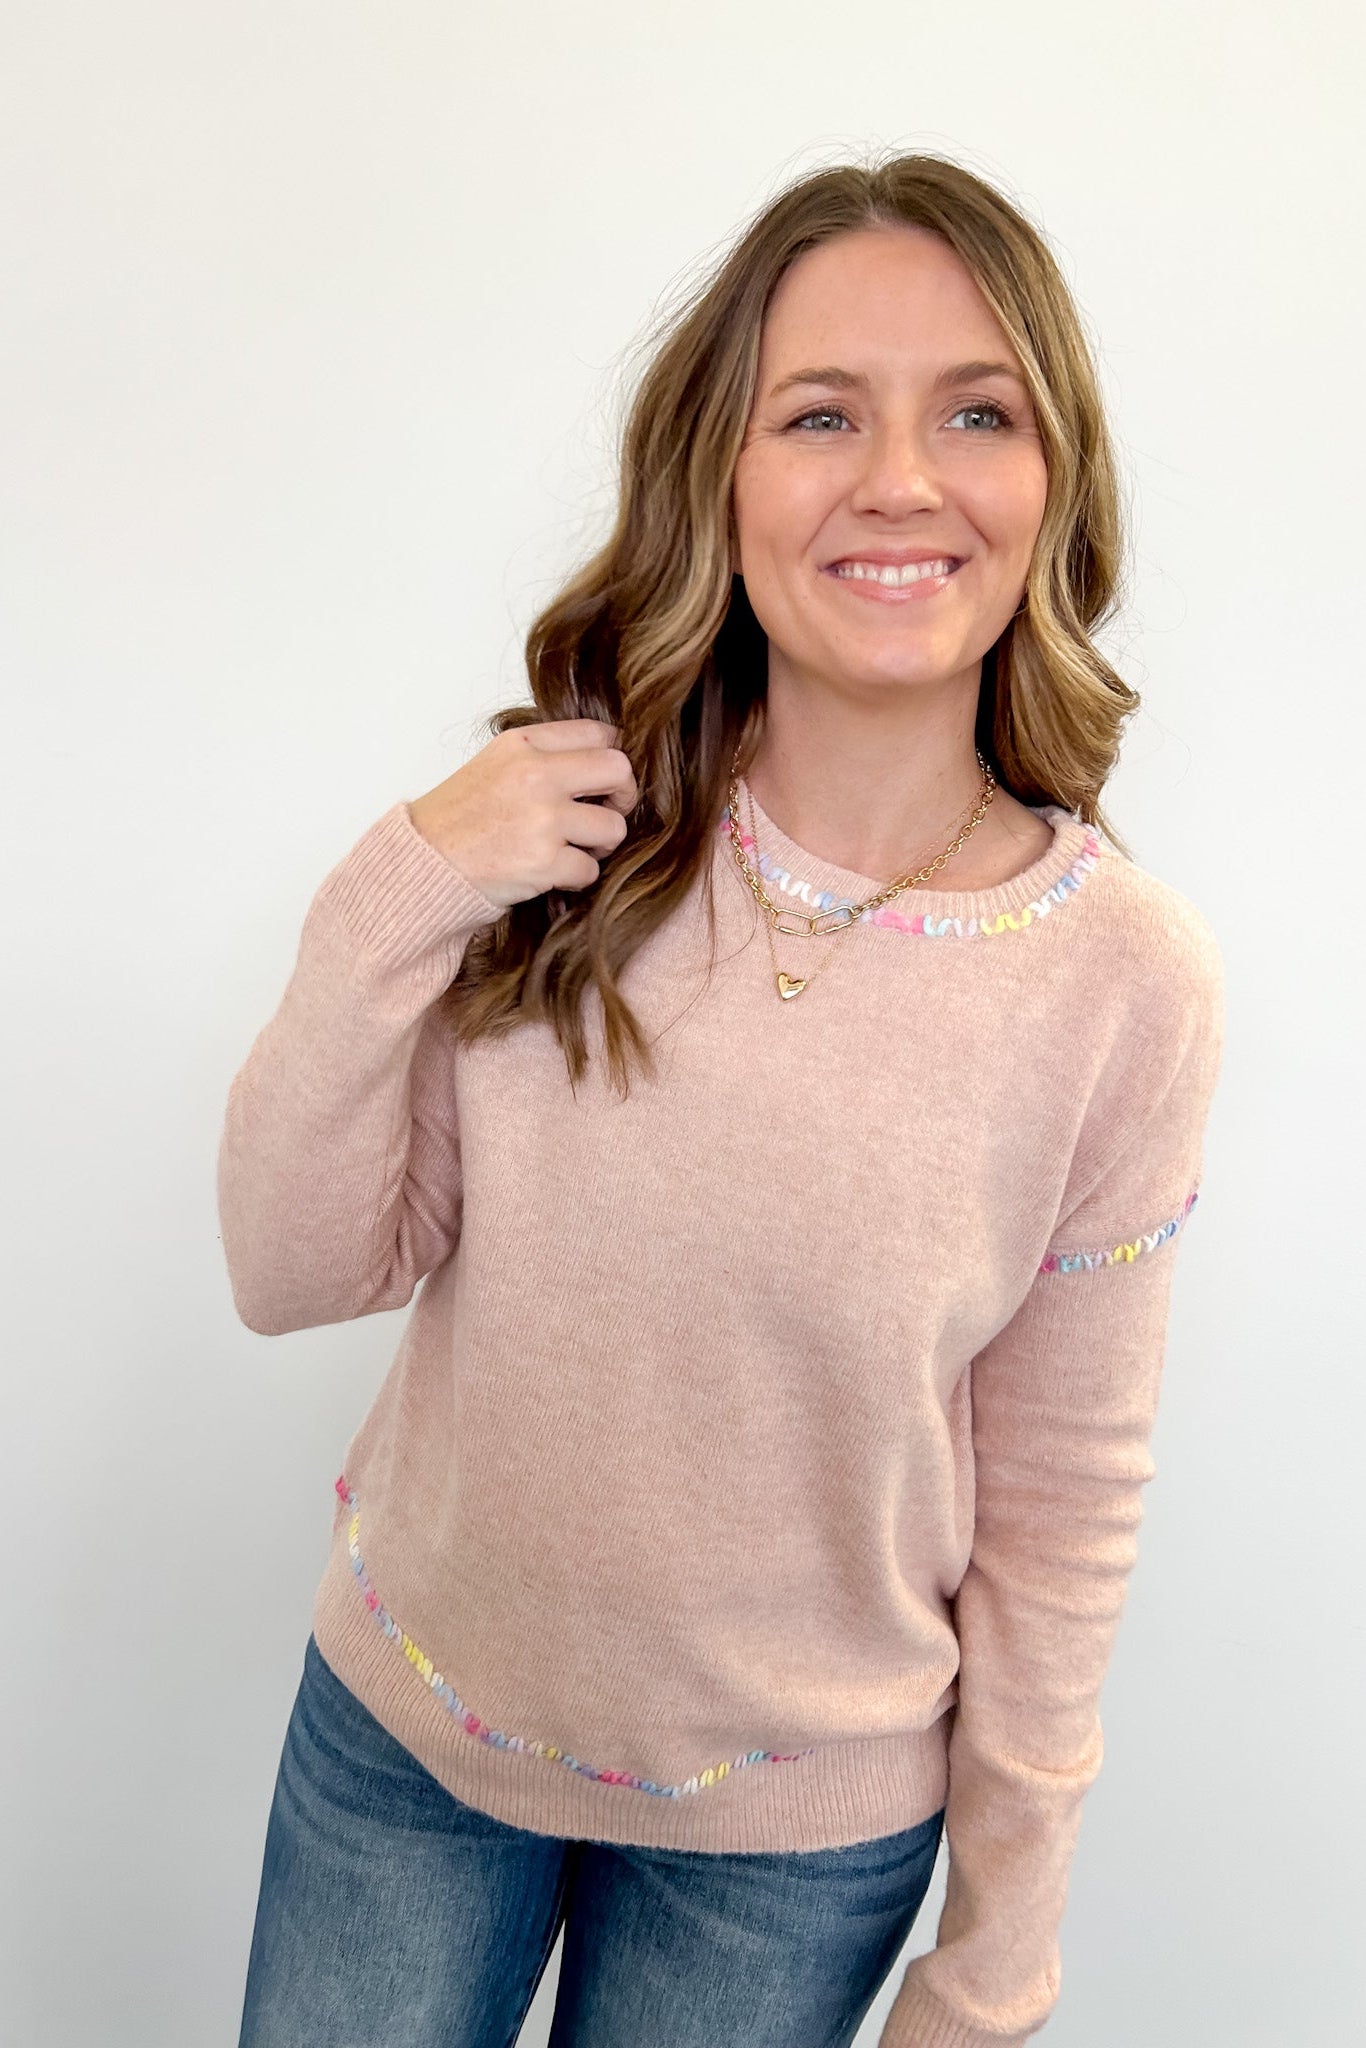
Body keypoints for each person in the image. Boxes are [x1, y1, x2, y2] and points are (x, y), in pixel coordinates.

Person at [218, 150, 1225, 2048]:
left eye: (976, 413)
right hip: (406, 1739)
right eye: (821, 413)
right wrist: (403, 876)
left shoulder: (1120, 982)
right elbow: (286, 1269)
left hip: (786, 1857)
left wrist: (998, 1955)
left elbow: (1066, 1505)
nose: (901, 480)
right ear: (726, 475)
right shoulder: (565, 833)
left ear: (1048, 478)